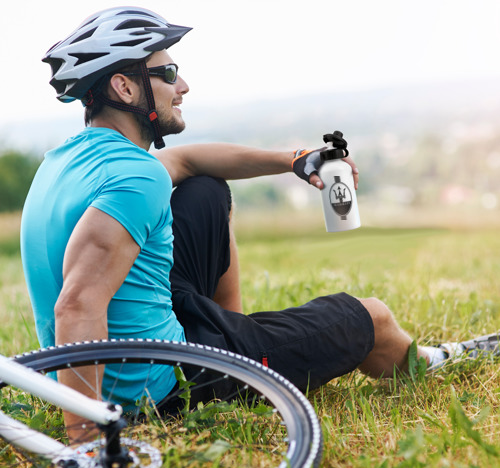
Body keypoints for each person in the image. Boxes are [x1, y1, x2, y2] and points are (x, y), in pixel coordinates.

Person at [21, 7, 498, 441]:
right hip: (157, 383)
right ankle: (433, 361)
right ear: (125, 88)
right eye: (167, 73)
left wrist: (296, 160)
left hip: (138, 337)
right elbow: (77, 304)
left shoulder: (65, 161)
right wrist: (86, 444)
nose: (182, 86)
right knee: (369, 318)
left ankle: (235, 332)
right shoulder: (135, 176)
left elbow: (187, 161)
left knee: (205, 189)